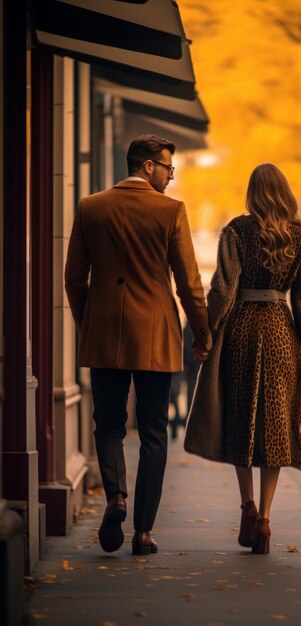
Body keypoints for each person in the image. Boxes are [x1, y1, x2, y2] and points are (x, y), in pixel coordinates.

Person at [65, 134, 211, 556]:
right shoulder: (169, 211)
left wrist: (88, 322)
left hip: (105, 331)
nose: (170, 176)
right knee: (152, 431)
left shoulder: (91, 207)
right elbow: (189, 285)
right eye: (167, 167)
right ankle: (144, 531)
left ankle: (116, 497)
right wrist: (202, 335)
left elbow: (74, 277)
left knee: (108, 423)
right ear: (148, 166)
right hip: (155, 334)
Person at [184, 163, 301, 554]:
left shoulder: (236, 231)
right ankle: (265, 519)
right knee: (275, 428)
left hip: (241, 333)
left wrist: (205, 334)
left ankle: (246, 505)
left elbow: (222, 291)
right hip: (281, 333)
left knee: (239, 418)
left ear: (252, 193)